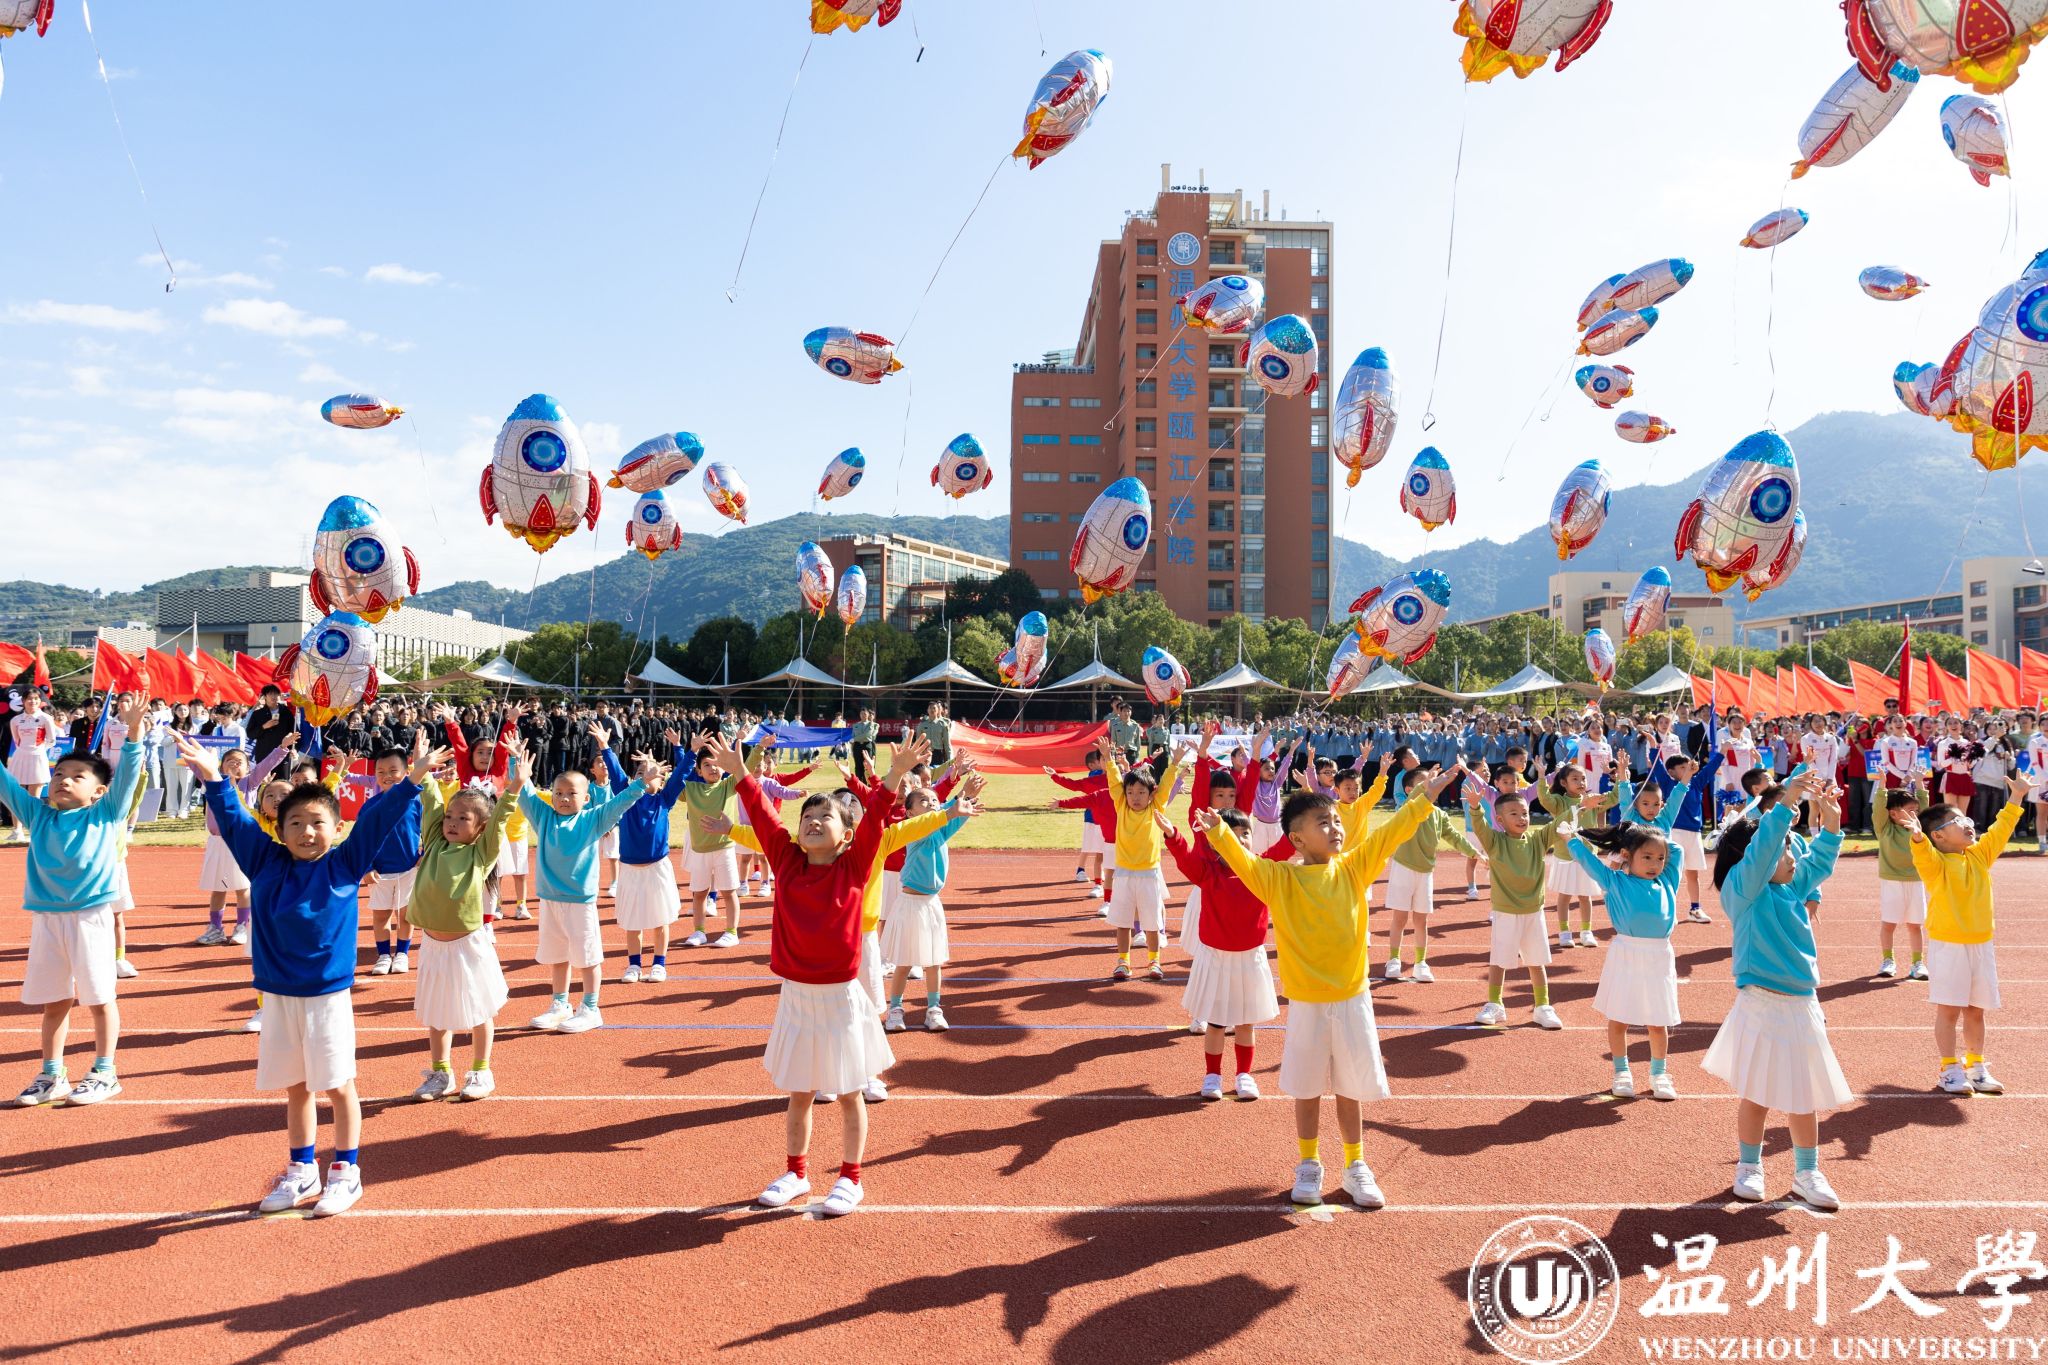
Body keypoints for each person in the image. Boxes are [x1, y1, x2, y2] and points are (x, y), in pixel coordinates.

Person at [181, 730, 441, 1216]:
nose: (306, 832)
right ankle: (302, 1170)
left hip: (326, 998)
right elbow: (236, 821)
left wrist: (412, 781)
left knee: (338, 1085)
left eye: (317, 823)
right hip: (279, 998)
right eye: (295, 823)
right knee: (297, 1087)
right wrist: (215, 778)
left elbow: (378, 820)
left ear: (337, 828)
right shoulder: (264, 862)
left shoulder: (345, 864)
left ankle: (345, 1171)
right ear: (279, 830)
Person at [1198, 763, 1463, 1208]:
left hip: (1353, 998)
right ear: (1297, 839)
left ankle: (1356, 1164)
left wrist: (1425, 797)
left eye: (1337, 820)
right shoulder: (1278, 878)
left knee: (1351, 1086)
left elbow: (1390, 832)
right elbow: (1244, 862)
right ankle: (1309, 1163)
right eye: (1323, 822)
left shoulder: (1354, 867)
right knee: (1306, 1088)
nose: (1336, 827)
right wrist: (1219, 833)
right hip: (1307, 1004)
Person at [710, 730, 916, 1218]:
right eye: (807, 817)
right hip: (796, 998)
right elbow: (764, 817)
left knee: (848, 1092)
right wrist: (740, 774)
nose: (814, 821)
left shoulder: (855, 866)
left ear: (847, 836)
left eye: (827, 817)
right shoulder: (785, 860)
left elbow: (876, 818)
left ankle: (850, 1178)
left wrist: (894, 774)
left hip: (841, 999)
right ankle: (797, 1172)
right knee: (800, 1092)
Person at [1702, 772, 1847, 1209]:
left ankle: (1807, 1172)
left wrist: (1833, 823)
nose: (1791, 857)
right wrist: (1785, 804)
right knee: (1758, 1093)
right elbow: (1763, 852)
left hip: (1802, 1003)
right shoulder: (1743, 890)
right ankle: (1749, 1166)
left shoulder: (1791, 888)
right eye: (1785, 850)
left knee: (1803, 1096)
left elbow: (1819, 863)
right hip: (1761, 1003)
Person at [6, 695, 149, 1108]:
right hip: (48, 920)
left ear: (99, 791)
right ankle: (52, 1074)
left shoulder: (106, 813)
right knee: (54, 1002)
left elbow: (129, 776)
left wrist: (134, 733)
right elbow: (6, 785)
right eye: (59, 773)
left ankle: (105, 1071)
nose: (63, 780)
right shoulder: (38, 815)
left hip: (91, 918)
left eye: (76, 776)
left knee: (100, 999)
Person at [407, 747, 522, 1101]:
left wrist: (515, 786)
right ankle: (441, 1073)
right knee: (436, 1013)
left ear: (480, 828)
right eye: (450, 816)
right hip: (433, 946)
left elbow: (500, 820)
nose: (452, 822)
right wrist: (423, 769)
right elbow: (430, 801)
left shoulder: (480, 853)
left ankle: (481, 1070)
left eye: (463, 818)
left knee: (479, 1009)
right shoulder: (435, 840)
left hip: (467, 946)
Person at [1908, 770, 2031, 1096]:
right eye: (1957, 821)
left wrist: (2017, 797)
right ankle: (1949, 1069)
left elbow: (2001, 829)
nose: (1967, 823)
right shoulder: (1936, 865)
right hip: (1949, 946)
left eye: (1966, 818)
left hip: (1981, 944)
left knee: (1976, 1011)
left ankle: (1976, 1066)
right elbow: (1923, 854)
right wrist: (1918, 838)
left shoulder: (1979, 855)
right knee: (1949, 1010)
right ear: (1938, 836)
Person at [518, 728, 647, 1034]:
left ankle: (590, 1007)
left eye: (571, 793)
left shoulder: (592, 819)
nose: (563, 798)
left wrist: (642, 783)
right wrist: (515, 765)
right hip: (550, 900)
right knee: (558, 956)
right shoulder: (543, 816)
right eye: (558, 792)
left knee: (587, 958)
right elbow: (524, 793)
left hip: (580, 902)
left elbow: (620, 803)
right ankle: (560, 1004)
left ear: (586, 798)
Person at [1161, 806, 1279, 1100]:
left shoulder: (1261, 870)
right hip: (1216, 959)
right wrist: (1173, 835)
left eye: (1245, 833)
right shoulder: (1208, 872)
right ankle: (1212, 1075)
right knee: (1215, 1022)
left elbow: (1285, 847)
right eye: (1231, 833)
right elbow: (1185, 859)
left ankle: (1244, 1075)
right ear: (1215, 841)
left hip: (1250, 959)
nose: (1239, 839)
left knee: (1245, 1022)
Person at [1566, 824, 1683, 1100]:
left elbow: (1676, 849)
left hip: (1659, 957)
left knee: (1658, 1021)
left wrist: (1639, 831)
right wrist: (1570, 840)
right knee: (1620, 1018)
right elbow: (1588, 861)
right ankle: (1621, 1072)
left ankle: (1659, 1074)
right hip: (1626, 954)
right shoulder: (1615, 881)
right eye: (1647, 857)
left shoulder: (1668, 880)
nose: (1655, 864)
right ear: (1628, 855)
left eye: (1660, 858)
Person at [1463, 778, 1563, 1030]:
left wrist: (1579, 805)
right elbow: (1480, 827)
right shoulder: (1495, 842)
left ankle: (1542, 1006)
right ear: (1500, 819)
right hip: (1505, 913)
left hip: (1534, 912)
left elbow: (1558, 824)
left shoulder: (1538, 840)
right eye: (1514, 814)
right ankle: (1495, 1004)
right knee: (1499, 960)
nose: (1521, 818)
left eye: (1525, 813)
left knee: (1536, 961)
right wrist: (1475, 807)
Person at [880, 783, 979, 1033]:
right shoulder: (914, 831)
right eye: (923, 801)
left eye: (934, 800)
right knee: (904, 962)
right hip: (909, 904)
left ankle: (933, 1009)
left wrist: (966, 797)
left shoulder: (940, 832)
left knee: (934, 962)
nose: (932, 803)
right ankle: (895, 1010)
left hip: (931, 903)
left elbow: (952, 818)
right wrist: (957, 800)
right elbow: (944, 817)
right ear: (910, 813)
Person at [600, 729, 694, 983]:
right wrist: (605, 746)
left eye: (652, 772)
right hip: (630, 870)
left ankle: (659, 964)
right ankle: (634, 965)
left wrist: (686, 749)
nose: (645, 775)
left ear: (661, 782)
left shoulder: (664, 799)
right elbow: (616, 773)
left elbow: (681, 775)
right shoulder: (626, 798)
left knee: (660, 919)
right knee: (632, 922)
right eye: (640, 772)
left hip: (657, 868)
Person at [1382, 760, 1481, 983]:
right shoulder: (1406, 807)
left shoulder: (1439, 814)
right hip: (1403, 868)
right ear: (1411, 789)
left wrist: (1474, 852)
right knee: (1400, 918)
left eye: (1435, 781)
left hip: (1426, 872)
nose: (1433, 784)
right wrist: (1426, 783)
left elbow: (1453, 837)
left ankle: (1420, 963)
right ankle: (1394, 960)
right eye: (1427, 781)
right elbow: (1416, 795)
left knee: (1421, 920)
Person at [1100, 740, 1187, 983]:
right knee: (1122, 922)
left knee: (1151, 922)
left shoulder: (1155, 808)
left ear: (1151, 794)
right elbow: (1114, 783)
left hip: (1149, 874)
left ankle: (1154, 961)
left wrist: (1175, 763)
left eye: (1141, 792)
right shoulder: (1121, 806)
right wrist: (1109, 759)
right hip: (1124, 874)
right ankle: (1123, 962)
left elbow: (1166, 786)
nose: (1135, 797)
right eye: (1130, 792)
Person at [1536, 758, 1627, 949]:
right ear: (1564, 783)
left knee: (1585, 896)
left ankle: (1586, 932)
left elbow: (1614, 797)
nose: (1581, 782)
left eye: (1583, 778)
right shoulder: (1559, 802)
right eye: (1575, 779)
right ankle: (1564, 932)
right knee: (1565, 896)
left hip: (1587, 857)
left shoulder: (1593, 799)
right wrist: (1542, 776)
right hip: (1565, 857)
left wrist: (1620, 775)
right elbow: (1544, 799)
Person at [361, 748, 423, 976]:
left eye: (393, 770)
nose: (387, 775)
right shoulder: (369, 806)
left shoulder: (416, 801)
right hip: (380, 872)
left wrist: (425, 853)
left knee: (405, 915)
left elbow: (428, 830)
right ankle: (384, 955)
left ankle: (402, 954)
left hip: (409, 868)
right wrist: (367, 867)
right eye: (381, 771)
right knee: (381, 916)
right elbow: (361, 841)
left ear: (406, 772)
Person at [681, 740, 742, 946]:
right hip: (700, 850)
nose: (712, 767)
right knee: (699, 894)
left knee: (729, 891)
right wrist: (688, 752)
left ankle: (731, 932)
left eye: (716, 763)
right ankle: (699, 932)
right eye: (706, 764)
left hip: (724, 848)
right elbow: (674, 783)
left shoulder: (728, 785)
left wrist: (758, 748)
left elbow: (747, 769)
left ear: (723, 767)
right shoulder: (691, 789)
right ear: (699, 771)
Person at [1874, 780, 1929, 981]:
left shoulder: (1919, 829)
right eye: (1910, 811)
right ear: (1893, 814)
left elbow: (1925, 806)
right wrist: (1882, 786)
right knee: (1889, 924)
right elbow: (1878, 810)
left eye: (1916, 811)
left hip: (1916, 881)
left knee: (1915, 925)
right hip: (1892, 883)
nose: (1915, 815)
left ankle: (1918, 963)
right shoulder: (1884, 829)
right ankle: (1888, 960)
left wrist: (1920, 785)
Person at [1046, 750, 1112, 899]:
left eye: (1110, 758)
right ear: (1100, 763)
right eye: (1104, 759)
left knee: (1119, 860)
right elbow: (1075, 785)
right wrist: (1055, 776)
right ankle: (1099, 886)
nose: (1107, 762)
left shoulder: (1124, 779)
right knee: (1100, 856)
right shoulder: (1094, 781)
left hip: (1122, 827)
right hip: (1101, 826)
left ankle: (1117, 890)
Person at [6, 690, 60, 845]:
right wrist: (25, 750)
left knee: (34, 798)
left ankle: (33, 830)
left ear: (40, 701)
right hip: (20, 757)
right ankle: (17, 831)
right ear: (23, 701)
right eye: (29, 699)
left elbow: (52, 740)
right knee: (17, 795)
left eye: (36, 699)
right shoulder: (16, 720)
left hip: (38, 757)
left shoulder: (46, 718)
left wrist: (39, 750)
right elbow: (17, 740)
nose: (33, 702)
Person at [850, 707, 878, 784]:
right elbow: (852, 737)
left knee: (867, 766)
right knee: (858, 766)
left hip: (867, 746)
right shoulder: (855, 725)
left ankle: (868, 784)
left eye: (865, 714)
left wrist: (854, 739)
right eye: (861, 714)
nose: (863, 715)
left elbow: (867, 735)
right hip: (857, 746)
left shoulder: (871, 724)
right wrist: (852, 749)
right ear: (859, 715)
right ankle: (859, 784)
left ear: (868, 715)